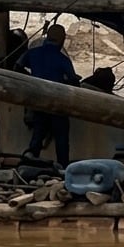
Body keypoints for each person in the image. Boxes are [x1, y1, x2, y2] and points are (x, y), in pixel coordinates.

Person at [17, 24, 80, 167]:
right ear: (62, 40)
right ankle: (63, 169)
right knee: (61, 138)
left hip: (38, 102)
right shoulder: (62, 59)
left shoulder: (33, 53)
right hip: (58, 104)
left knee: (38, 134)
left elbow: (17, 67)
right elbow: (74, 82)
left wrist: (30, 81)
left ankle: (30, 164)